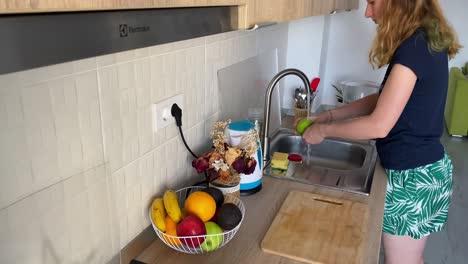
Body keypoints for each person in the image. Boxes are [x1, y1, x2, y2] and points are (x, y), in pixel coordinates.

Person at [298, 0, 461, 263]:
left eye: (373, 2)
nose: (367, 12)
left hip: (413, 180)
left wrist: (325, 131)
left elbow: (378, 124)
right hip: (425, 173)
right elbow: (384, 99)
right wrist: (331, 115)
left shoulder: (415, 48)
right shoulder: (422, 40)